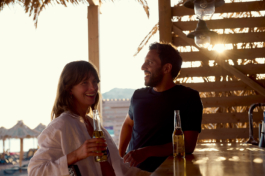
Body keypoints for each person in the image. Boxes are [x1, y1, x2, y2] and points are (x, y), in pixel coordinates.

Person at [28, 61, 150, 176]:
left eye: (95, 82)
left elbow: (118, 165)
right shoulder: (61, 125)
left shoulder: (92, 123)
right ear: (69, 88)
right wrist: (76, 155)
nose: (93, 88)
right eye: (84, 82)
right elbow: (35, 171)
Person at [119, 42, 203, 172]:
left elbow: (188, 145)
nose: (143, 67)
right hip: (132, 172)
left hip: (168, 171)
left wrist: (147, 151)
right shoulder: (138, 95)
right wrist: (119, 158)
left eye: (150, 62)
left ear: (167, 68)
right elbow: (128, 124)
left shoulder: (189, 97)